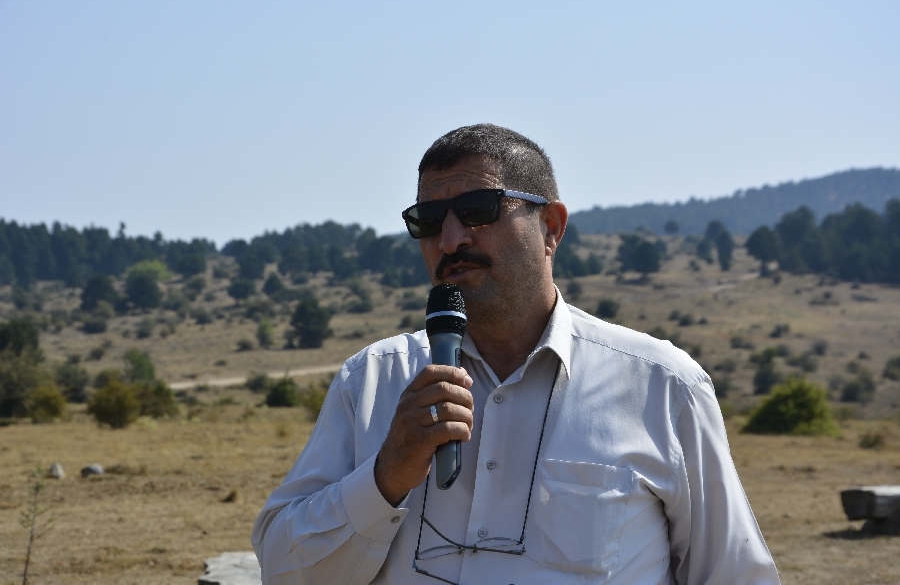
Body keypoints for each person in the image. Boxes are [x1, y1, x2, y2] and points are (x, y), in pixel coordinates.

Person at [252, 124, 780, 584]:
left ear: (551, 227)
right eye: (429, 220)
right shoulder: (371, 381)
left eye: (478, 211)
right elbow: (283, 570)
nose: (451, 239)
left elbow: (733, 575)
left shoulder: (662, 387)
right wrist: (384, 477)